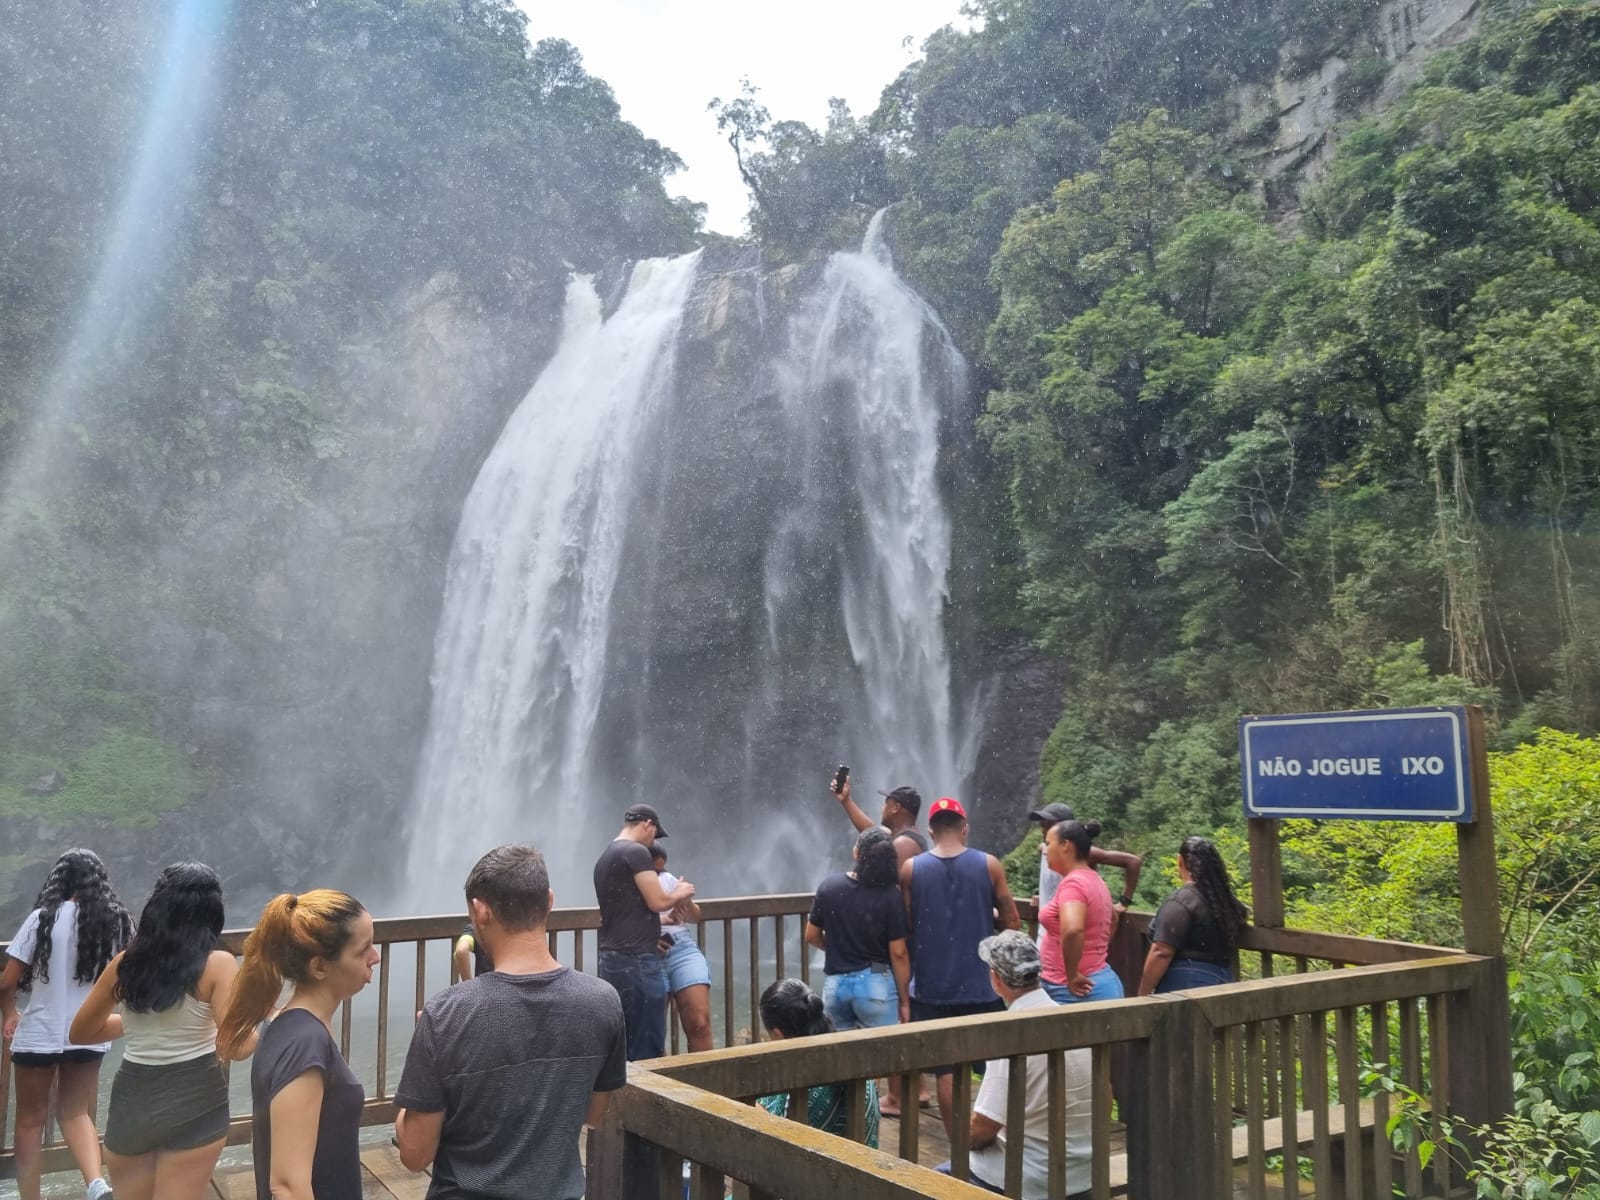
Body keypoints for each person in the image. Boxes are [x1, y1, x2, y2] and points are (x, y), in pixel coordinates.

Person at [395, 844, 627, 1199]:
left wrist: (424, 1076)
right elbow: (593, 1115)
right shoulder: (603, 1001)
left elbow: (415, 1154)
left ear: (480, 911)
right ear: (549, 901)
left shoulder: (445, 1014)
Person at [69, 863, 238, 1200]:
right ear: (212, 911)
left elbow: (81, 1033)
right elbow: (238, 1046)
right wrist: (264, 1016)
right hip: (196, 1098)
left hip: (133, 1099)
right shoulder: (219, 963)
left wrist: (137, 1023)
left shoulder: (125, 963)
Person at [216, 889, 379, 1200]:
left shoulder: (285, 1024)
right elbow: (288, 1187)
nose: (376, 956)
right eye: (363, 950)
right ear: (319, 967)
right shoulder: (305, 1043)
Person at [0, 848, 133, 1200]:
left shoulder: (43, 918)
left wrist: (10, 1012)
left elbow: (7, 980)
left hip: (40, 1035)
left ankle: (31, 1197)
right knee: (75, 1112)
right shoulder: (117, 923)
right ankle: (96, 1184)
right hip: (90, 1032)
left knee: (29, 1121)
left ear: (59, 880)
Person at [937, 931, 1092, 1198]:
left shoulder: (1010, 1034)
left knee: (927, 1182)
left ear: (996, 978)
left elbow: (983, 1129)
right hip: (1082, 1173)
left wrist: (963, 1137)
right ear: (1038, 972)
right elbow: (1105, 1095)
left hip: (1029, 1180)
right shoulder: (1075, 1024)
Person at [899, 797, 1020, 1139]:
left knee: (946, 1069)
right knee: (997, 1065)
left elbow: (906, 924)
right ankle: (997, 1140)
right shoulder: (989, 865)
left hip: (931, 987)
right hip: (983, 984)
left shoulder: (911, 869)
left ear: (930, 831)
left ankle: (958, 1149)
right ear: (964, 828)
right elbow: (1012, 921)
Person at [593, 803, 694, 1061]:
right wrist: (681, 892)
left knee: (625, 1033)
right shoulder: (636, 851)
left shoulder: (607, 855)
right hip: (637, 959)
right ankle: (645, 1085)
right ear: (647, 824)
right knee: (648, 1037)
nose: (653, 842)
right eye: (655, 834)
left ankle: (622, 1084)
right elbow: (658, 901)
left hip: (612, 956)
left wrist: (661, 923)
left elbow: (625, 910)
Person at [755, 979, 879, 1148]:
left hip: (817, 1160)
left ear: (778, 1034)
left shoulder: (800, 1078)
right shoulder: (847, 1056)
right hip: (861, 1156)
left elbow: (780, 1141)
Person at [1137, 837, 1251, 995]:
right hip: (1223, 979)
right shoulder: (1224, 901)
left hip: (1185, 983)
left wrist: (1143, 993)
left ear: (1180, 861)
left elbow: (1162, 951)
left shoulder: (1182, 900)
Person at [1038, 820, 1129, 1004]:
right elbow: (1113, 919)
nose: (1045, 850)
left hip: (1074, 990)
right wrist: (1093, 953)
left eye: (1048, 843)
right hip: (1095, 980)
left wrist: (1072, 974)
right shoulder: (1093, 879)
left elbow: (1073, 930)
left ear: (1066, 845)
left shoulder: (1074, 884)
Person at [1026, 803, 1142, 945]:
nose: (1043, 830)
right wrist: (1044, 896)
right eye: (1042, 825)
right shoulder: (1046, 849)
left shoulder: (1081, 854)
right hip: (1045, 937)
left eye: (1048, 825)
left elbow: (1133, 862)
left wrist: (1124, 902)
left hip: (1067, 941)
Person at [651, 845, 713, 1053]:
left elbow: (695, 916)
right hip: (646, 954)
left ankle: (705, 1072)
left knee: (699, 1022)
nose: (660, 873)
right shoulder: (626, 884)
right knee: (652, 1032)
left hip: (681, 948)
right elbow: (615, 920)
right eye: (655, 869)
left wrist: (686, 900)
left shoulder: (669, 880)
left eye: (662, 868)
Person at [830, 775, 928, 866]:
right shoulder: (905, 836)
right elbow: (871, 832)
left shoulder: (904, 844)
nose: (882, 808)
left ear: (896, 808)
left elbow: (895, 879)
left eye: (886, 804)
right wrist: (846, 800)